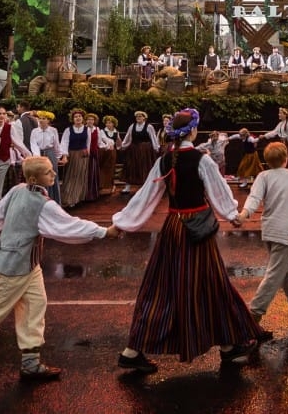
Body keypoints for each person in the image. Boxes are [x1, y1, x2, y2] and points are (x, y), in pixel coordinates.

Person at [112, 108, 266, 372]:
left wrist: (123, 223)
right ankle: (229, 347)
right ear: (193, 131)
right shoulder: (200, 159)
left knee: (160, 287)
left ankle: (133, 350)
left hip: (173, 228)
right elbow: (218, 191)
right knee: (209, 283)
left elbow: (145, 196)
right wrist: (233, 215)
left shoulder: (165, 160)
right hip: (196, 231)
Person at [0, 156, 120, 380]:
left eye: (52, 170)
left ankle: (30, 363)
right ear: (34, 178)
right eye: (48, 172)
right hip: (14, 267)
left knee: (35, 305)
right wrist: (103, 232)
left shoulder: (18, 190)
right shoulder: (41, 203)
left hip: (26, 264)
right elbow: (67, 226)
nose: (53, 174)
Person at [237, 143, 288, 335]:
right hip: (286, 231)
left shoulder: (262, 176)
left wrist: (244, 214)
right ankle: (253, 317)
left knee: (285, 269)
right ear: (286, 158)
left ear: (266, 160)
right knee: (275, 273)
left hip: (269, 230)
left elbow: (254, 198)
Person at [121, 111, 159, 195]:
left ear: (144, 118)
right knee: (130, 166)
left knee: (145, 167)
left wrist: (156, 148)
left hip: (145, 151)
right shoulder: (132, 126)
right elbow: (128, 137)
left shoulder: (149, 127)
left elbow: (153, 138)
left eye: (140, 116)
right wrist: (123, 145)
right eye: (137, 117)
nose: (138, 118)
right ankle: (127, 187)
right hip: (134, 150)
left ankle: (146, 187)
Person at [31, 110, 63, 204]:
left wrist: (58, 157)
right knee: (41, 176)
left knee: (52, 176)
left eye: (43, 119)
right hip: (39, 155)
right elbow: (33, 144)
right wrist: (38, 157)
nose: (41, 120)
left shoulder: (53, 130)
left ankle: (55, 200)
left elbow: (56, 144)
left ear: (48, 120)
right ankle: (41, 200)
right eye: (40, 118)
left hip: (50, 154)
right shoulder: (35, 131)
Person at [260, 107, 288, 174]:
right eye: (279, 113)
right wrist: (265, 136)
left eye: (280, 113)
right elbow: (274, 132)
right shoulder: (280, 124)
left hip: (287, 144)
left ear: (285, 115)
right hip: (282, 143)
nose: (279, 114)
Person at [95, 114, 119, 195]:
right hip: (105, 151)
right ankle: (103, 186)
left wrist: (119, 147)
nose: (108, 124)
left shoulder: (116, 132)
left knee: (111, 168)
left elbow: (119, 143)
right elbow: (105, 139)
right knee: (104, 167)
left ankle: (111, 185)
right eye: (107, 123)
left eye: (110, 123)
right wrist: (110, 144)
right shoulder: (102, 131)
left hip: (113, 152)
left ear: (113, 124)